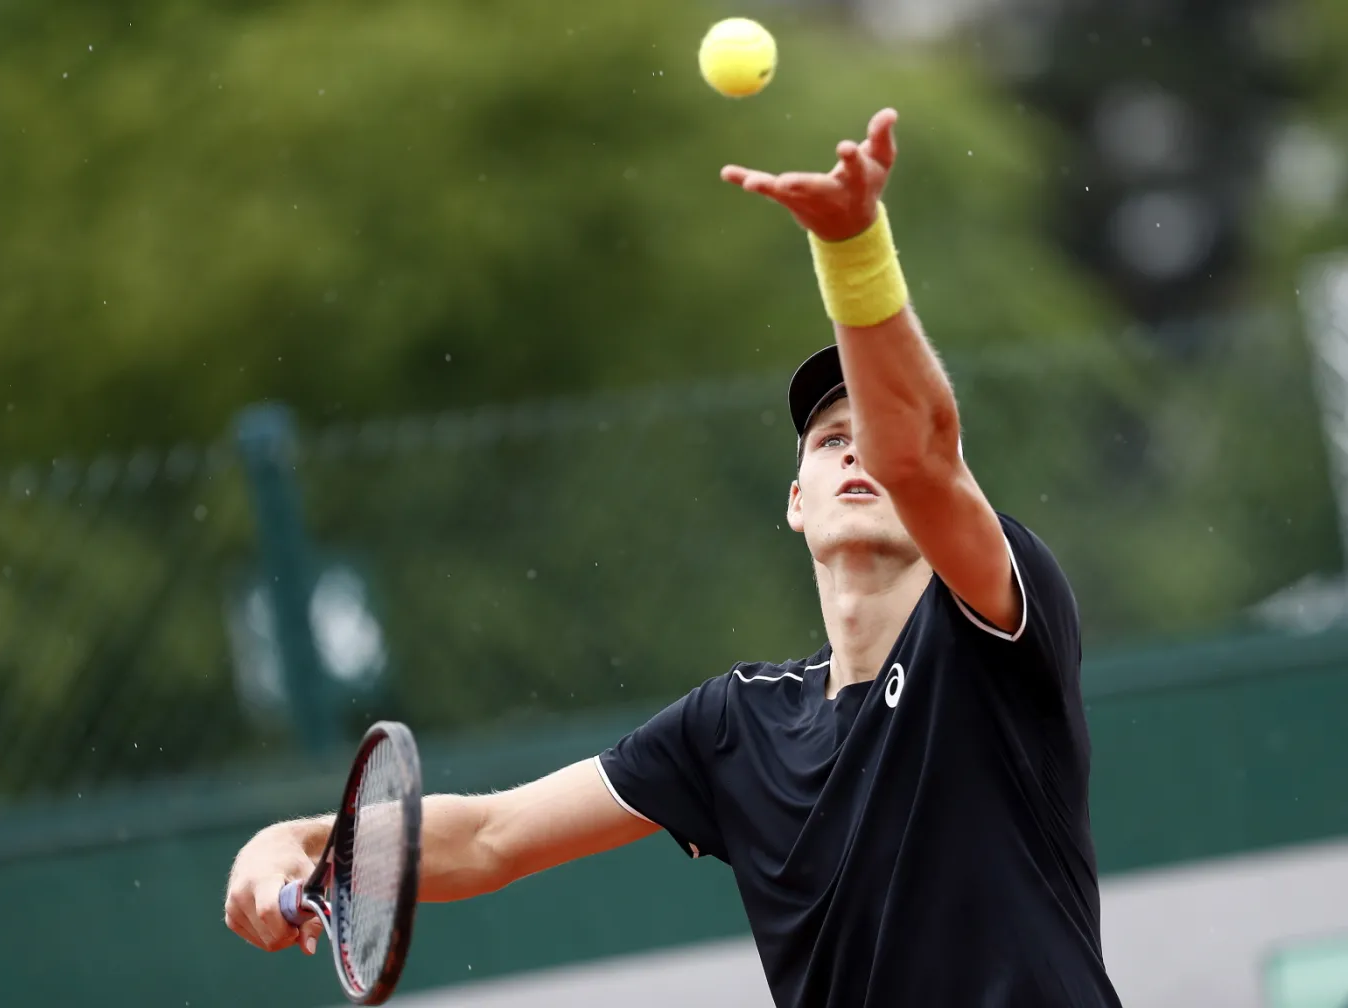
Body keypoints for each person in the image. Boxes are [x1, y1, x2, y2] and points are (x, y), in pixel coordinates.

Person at [225, 107, 1125, 1008]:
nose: (860, 454)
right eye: (829, 440)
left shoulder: (992, 623)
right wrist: (299, 844)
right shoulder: (737, 725)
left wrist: (853, 249)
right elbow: (492, 838)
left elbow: (920, 454)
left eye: (873, 433)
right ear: (796, 501)